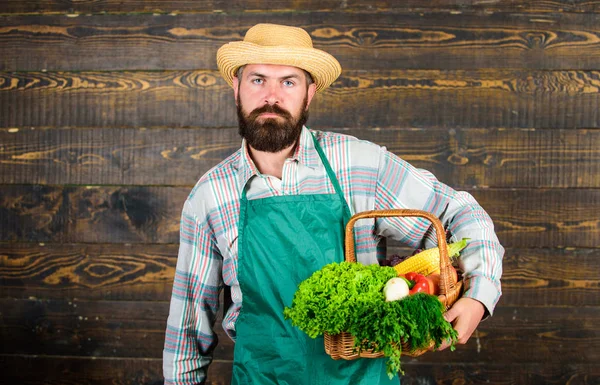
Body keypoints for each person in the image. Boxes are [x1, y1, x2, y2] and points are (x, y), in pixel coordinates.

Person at [163, 23, 504, 385]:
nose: (272, 96)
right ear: (236, 88)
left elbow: (460, 213)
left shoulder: (360, 165)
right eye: (258, 79)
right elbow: (188, 321)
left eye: (289, 82)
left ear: (309, 94)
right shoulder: (211, 194)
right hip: (262, 378)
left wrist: (479, 295)